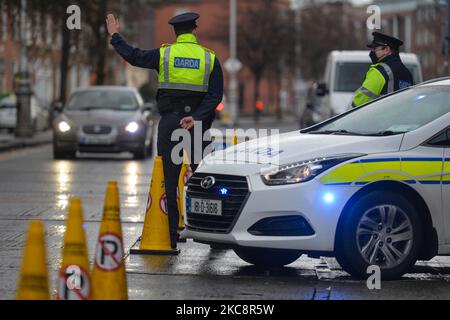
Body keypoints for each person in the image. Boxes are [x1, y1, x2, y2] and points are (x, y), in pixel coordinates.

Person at [106, 12, 224, 249]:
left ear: (175, 32)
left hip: (171, 123)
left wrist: (115, 35)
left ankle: (170, 236)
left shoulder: (165, 54)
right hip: (197, 125)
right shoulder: (209, 58)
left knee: (168, 179)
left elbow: (134, 56)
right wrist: (197, 117)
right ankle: (215, 234)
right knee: (205, 177)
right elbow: (215, 95)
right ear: (194, 30)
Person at [351, 32, 413, 109]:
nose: (372, 52)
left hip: (381, 119)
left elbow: (359, 103)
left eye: (375, 49)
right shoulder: (407, 73)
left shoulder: (379, 71)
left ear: (387, 49)